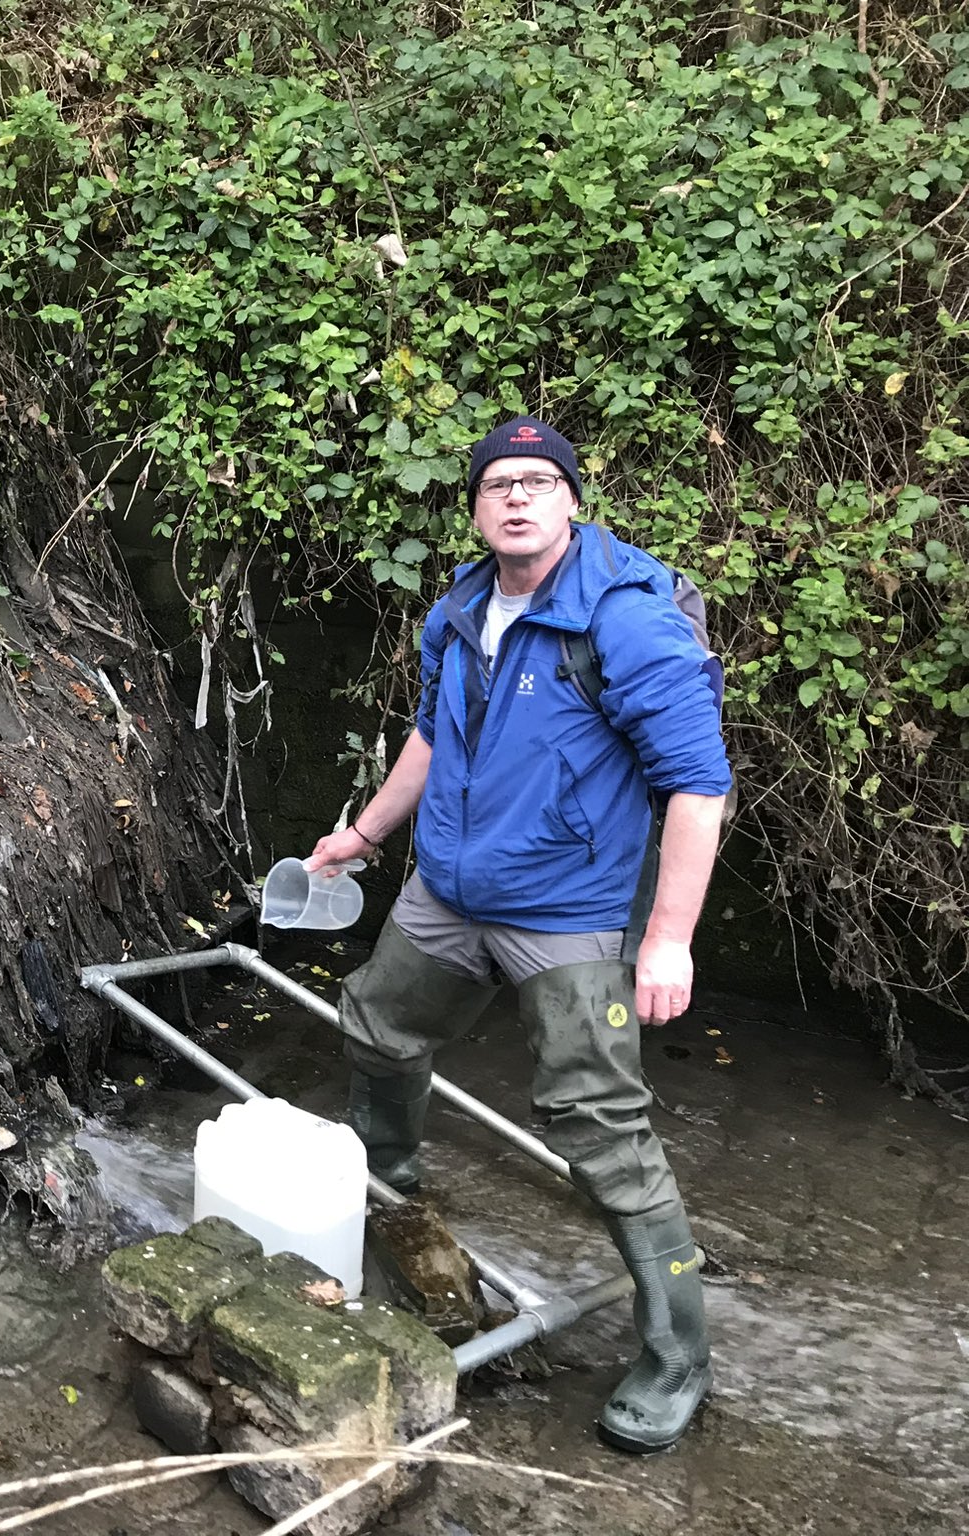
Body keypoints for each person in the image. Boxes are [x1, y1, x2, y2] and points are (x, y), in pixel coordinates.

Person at [304, 415, 730, 1454]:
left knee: (598, 1128)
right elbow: (426, 733)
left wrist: (665, 938)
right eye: (497, 482)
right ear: (476, 506)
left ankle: (677, 1353)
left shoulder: (622, 621)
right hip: (447, 891)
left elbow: (695, 786)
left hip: (568, 911)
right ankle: (388, 1183)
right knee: (376, 1026)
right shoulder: (457, 608)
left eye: (539, 481)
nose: (516, 497)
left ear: (570, 501)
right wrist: (360, 836)